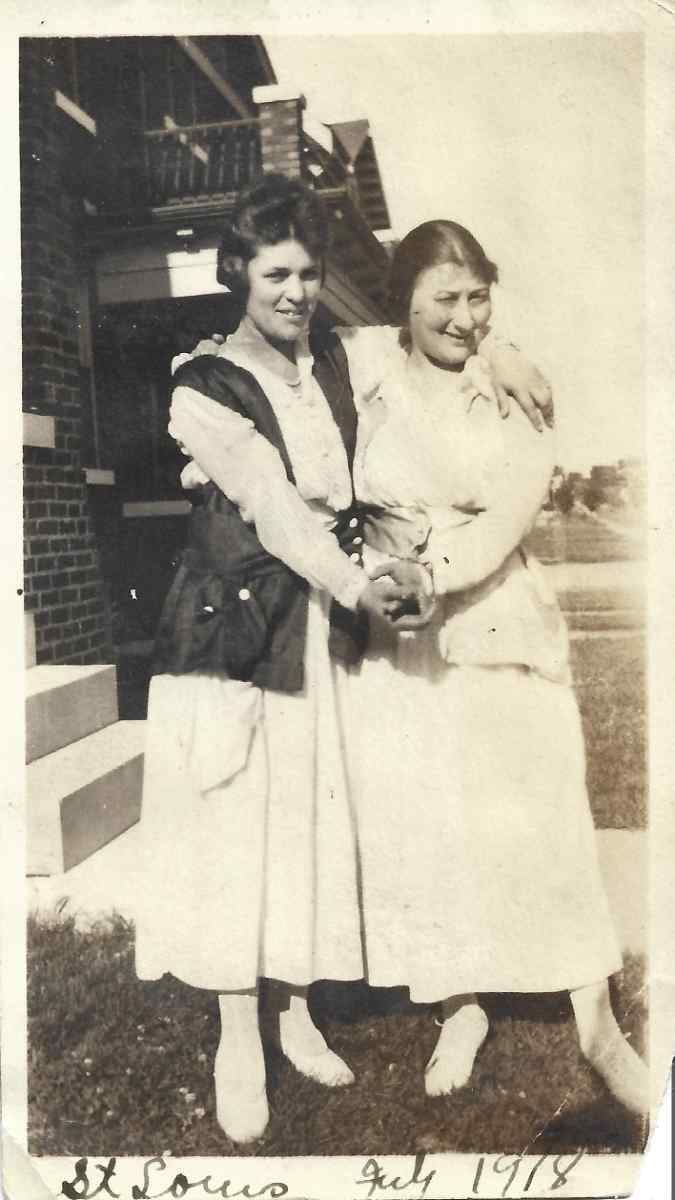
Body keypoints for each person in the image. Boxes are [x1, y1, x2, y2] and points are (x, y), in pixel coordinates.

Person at [140, 174, 553, 1145]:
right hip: (235, 629)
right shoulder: (201, 386)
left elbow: (426, 331)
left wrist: (504, 347)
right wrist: (356, 582)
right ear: (237, 273)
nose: (295, 290)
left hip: (317, 630)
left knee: (304, 823)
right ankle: (237, 1036)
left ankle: (292, 1009)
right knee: (238, 826)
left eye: (309, 273)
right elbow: (275, 505)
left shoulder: (332, 355)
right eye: (276, 271)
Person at [347, 219, 648, 1114]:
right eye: (445, 296)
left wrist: (424, 573)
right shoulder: (368, 373)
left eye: (481, 297)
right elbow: (318, 339)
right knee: (432, 826)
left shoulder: (517, 400)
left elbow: (503, 519)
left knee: (543, 822)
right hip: (403, 644)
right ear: (403, 299)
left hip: (495, 622)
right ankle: (461, 1004)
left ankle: (597, 1022)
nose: (467, 317)